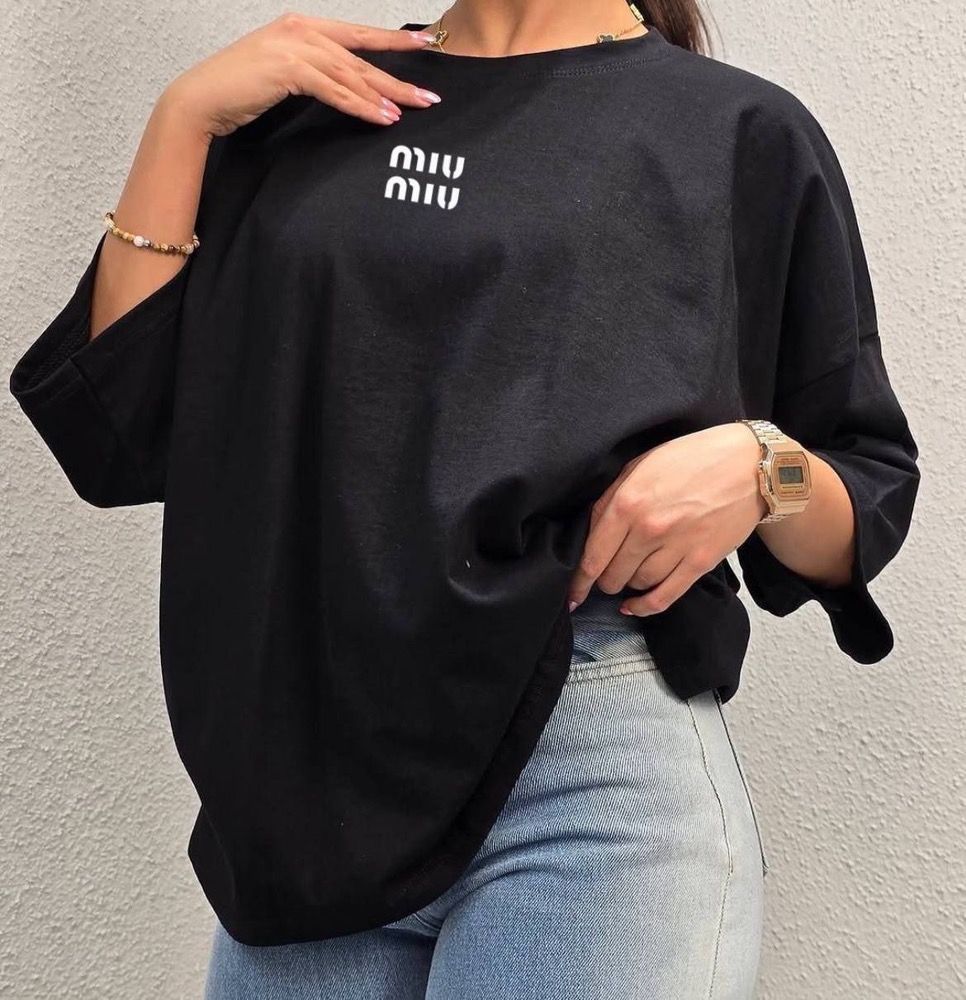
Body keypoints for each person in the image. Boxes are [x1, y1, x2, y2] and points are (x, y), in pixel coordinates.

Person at [8, 2, 920, 997]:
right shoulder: (311, 99)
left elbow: (863, 489)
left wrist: (760, 467)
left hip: (590, 774)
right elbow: (120, 434)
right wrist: (183, 118)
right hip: (304, 796)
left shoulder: (737, 131)